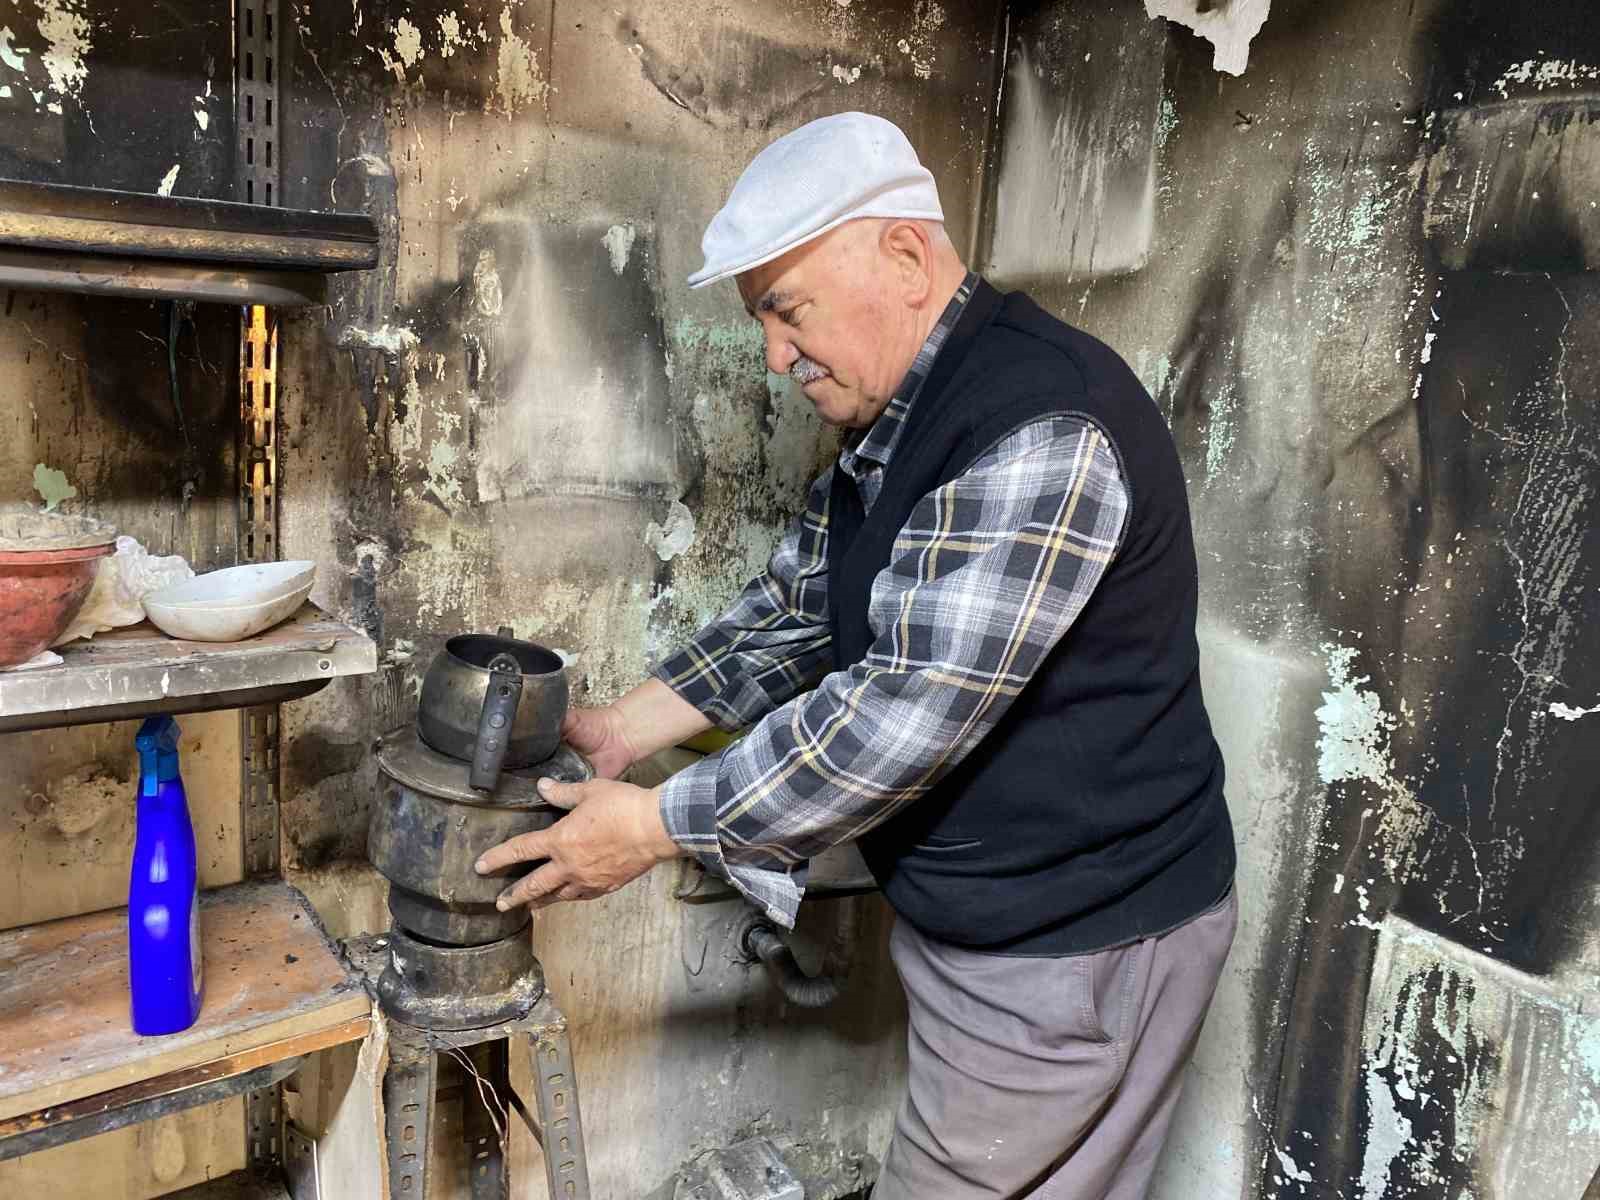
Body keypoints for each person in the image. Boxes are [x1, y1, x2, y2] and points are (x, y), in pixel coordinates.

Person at [476, 111, 1237, 1199]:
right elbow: (798, 605)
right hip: (1004, 925)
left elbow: (899, 716)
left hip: (1080, 945)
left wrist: (652, 826)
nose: (776, 356)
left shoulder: (1040, 430)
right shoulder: (899, 420)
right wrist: (622, 731)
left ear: (905, 256)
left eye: (787, 313)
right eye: (761, 323)